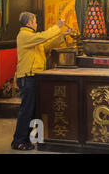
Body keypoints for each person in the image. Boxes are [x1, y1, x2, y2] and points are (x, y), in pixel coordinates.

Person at [11, 12, 72, 150]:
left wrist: (63, 35)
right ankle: (19, 141)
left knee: (32, 110)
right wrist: (57, 26)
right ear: (29, 23)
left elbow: (47, 44)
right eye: (35, 21)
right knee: (26, 110)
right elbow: (43, 37)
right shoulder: (25, 36)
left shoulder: (33, 38)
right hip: (27, 77)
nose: (36, 23)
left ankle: (26, 138)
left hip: (34, 76)